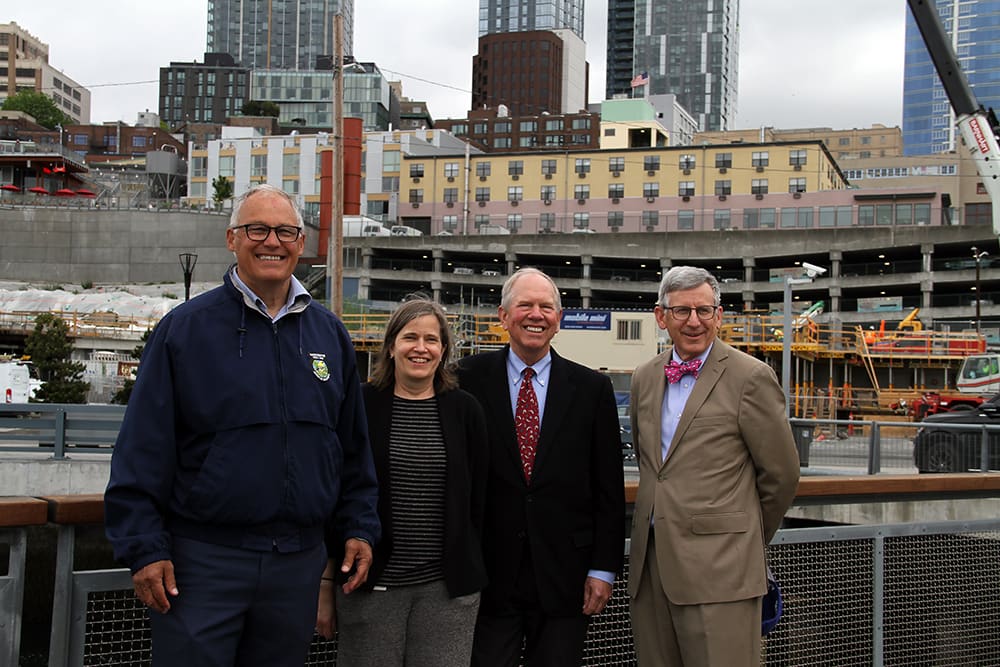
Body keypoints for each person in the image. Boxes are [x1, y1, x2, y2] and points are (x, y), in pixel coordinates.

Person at [104, 184, 380, 667]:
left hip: (295, 564)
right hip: (202, 562)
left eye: (285, 231)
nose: (271, 241)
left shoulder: (328, 334)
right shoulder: (186, 329)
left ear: (301, 243)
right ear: (232, 239)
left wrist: (359, 525)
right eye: (257, 229)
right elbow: (143, 447)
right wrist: (144, 548)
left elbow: (351, 446)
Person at [628, 265, 800, 667]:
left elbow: (782, 475)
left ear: (719, 316)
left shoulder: (751, 377)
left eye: (704, 311)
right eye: (682, 311)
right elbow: (651, 465)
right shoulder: (644, 378)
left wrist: (739, 538)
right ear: (661, 316)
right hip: (651, 571)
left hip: (723, 574)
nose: (694, 321)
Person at [457, 267, 625, 667]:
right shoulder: (465, 380)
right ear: (503, 316)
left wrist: (604, 568)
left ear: (559, 319)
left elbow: (608, 488)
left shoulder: (592, 390)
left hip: (566, 577)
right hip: (488, 575)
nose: (536, 315)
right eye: (525, 305)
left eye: (546, 307)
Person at [316, 296, 489, 666]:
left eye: (432, 340)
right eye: (411, 337)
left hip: (447, 593)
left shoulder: (466, 411)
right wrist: (326, 584)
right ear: (391, 345)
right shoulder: (359, 405)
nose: (421, 348)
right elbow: (336, 498)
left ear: (444, 350)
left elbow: (479, 504)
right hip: (370, 587)